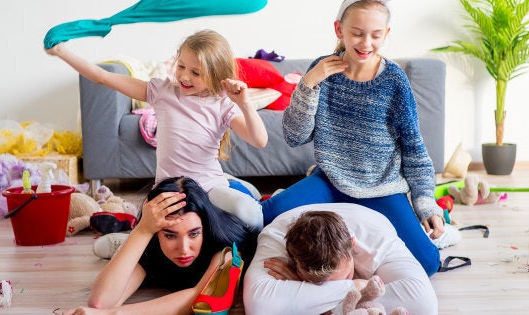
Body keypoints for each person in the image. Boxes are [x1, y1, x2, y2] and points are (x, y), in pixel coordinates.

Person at [260, 0, 444, 275]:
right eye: (357, 33)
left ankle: (343, 254)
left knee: (427, 263)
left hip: (381, 187)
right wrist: (308, 84)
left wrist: (426, 203)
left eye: (376, 35)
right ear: (339, 30)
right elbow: (294, 137)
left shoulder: (394, 81)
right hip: (331, 179)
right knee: (271, 214)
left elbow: (414, 149)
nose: (366, 43)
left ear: (386, 33)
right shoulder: (320, 71)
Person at [46, 29, 268, 232]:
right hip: (170, 190)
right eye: (181, 66)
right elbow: (101, 77)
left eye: (195, 72)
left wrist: (245, 104)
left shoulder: (222, 105)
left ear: (216, 75)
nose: (184, 76)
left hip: (209, 186)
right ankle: (234, 187)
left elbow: (259, 141)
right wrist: (61, 51)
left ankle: (233, 185)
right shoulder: (161, 91)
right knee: (145, 237)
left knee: (252, 217)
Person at [62, 176, 256, 315]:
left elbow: (199, 295)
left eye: (194, 234)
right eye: (170, 236)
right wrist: (142, 231)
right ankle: (127, 239)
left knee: (252, 209)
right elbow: (100, 301)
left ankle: (121, 242)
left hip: (236, 190)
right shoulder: (152, 240)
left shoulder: (223, 245)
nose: (184, 249)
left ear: (204, 228)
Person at [243, 203, 438, 315]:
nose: (333, 286)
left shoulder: (377, 239)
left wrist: (304, 293)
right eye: (317, 284)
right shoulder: (275, 237)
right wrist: (358, 285)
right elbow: (259, 306)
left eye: (345, 276)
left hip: (368, 214)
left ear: (352, 244)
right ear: (291, 259)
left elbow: (425, 303)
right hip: (295, 211)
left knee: (429, 260)